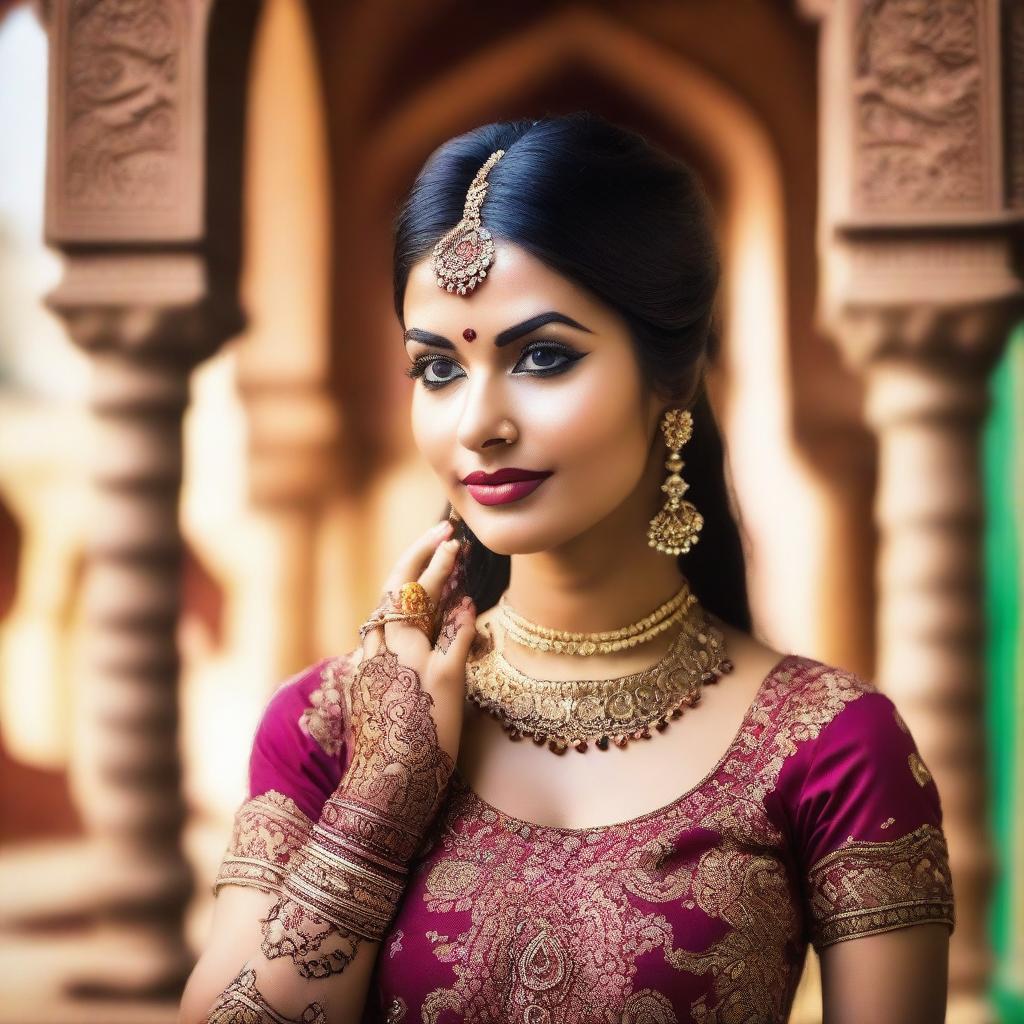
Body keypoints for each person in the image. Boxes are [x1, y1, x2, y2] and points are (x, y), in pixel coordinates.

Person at [179, 112, 955, 1024]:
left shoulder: (831, 747)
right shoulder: (330, 727)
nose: (478, 424)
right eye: (437, 369)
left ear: (671, 378)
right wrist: (380, 806)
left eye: (543, 357)